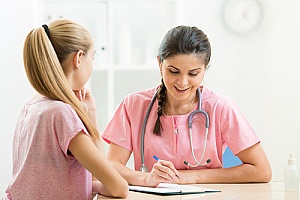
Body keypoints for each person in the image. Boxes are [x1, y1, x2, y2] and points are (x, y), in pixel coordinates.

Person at [102, 25, 272, 187]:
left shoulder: (221, 107)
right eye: (173, 71)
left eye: (193, 73)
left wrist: (192, 177)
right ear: (160, 64)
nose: (182, 82)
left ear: (204, 70)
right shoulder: (133, 105)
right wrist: (147, 178)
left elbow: (261, 170)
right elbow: (111, 165)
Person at [3, 19, 128, 199]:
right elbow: (118, 187)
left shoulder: (31, 107)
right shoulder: (61, 114)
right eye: (91, 58)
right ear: (78, 59)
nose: (91, 65)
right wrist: (92, 116)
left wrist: (89, 113)